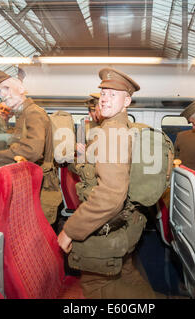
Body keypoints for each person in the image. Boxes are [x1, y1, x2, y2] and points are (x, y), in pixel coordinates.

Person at [57, 68, 157, 299]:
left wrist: (70, 231)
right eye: (103, 93)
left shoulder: (113, 134)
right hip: (125, 223)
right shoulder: (114, 129)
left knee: (95, 286)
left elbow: (110, 196)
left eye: (113, 94)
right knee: (127, 274)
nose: (104, 98)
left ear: (127, 101)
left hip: (108, 227)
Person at [0, 67, 61, 224]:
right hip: (31, 188)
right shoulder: (23, 114)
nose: (2, 94)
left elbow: (32, 150)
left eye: (6, 88)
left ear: (21, 88)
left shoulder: (33, 113)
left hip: (40, 191)